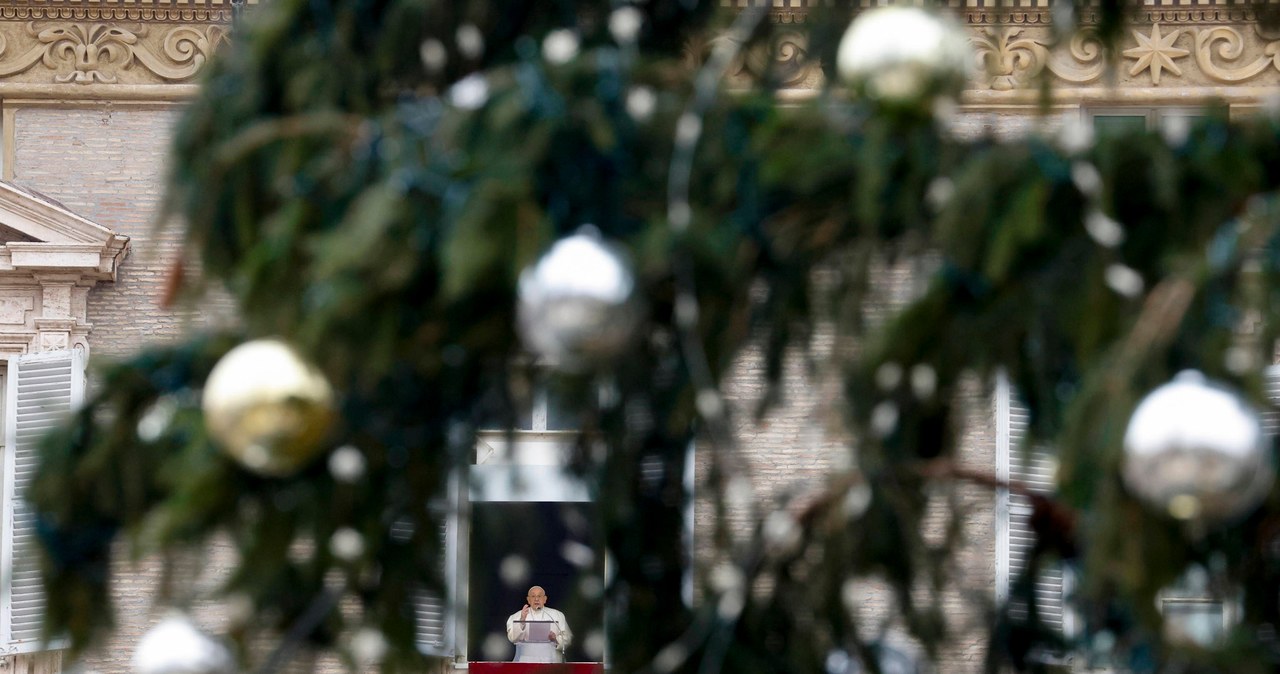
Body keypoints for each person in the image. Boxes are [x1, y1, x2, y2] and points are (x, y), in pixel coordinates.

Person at [505, 585, 572, 663]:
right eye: (533, 596)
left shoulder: (557, 615)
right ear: (528, 600)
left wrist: (555, 639)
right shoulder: (516, 616)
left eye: (539, 596)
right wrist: (522, 620)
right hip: (525, 661)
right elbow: (512, 638)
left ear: (545, 599)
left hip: (551, 661)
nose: (536, 599)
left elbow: (567, 638)